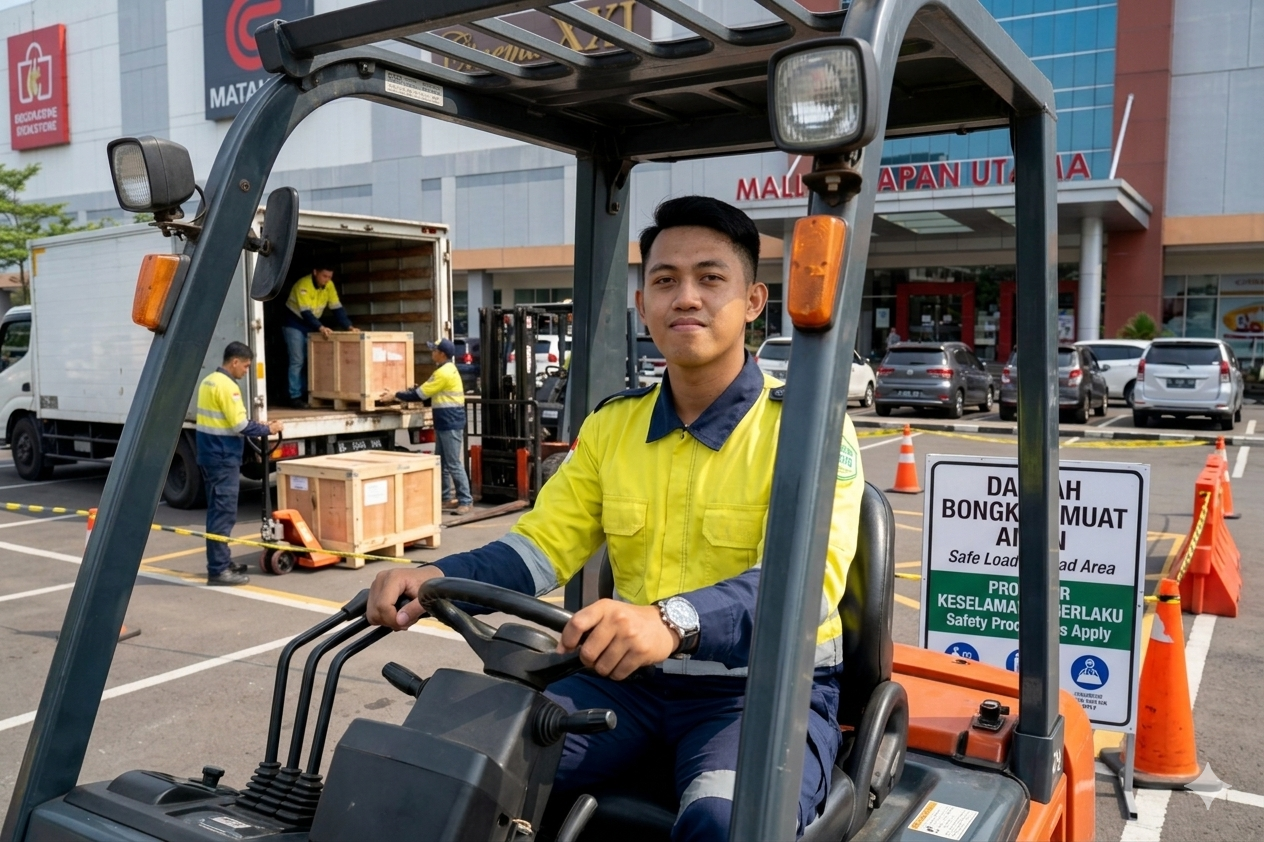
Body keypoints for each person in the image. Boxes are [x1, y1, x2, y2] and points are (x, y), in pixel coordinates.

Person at [367, 196, 863, 839]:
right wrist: (434, 575)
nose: (686, 297)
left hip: (759, 692)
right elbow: (539, 549)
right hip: (630, 683)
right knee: (456, 771)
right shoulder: (613, 427)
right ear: (643, 305)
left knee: (726, 823)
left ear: (754, 302)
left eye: (711, 278)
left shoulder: (805, 427)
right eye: (665, 281)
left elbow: (801, 580)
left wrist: (671, 621)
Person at [196, 342, 283, 586]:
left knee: (217, 512)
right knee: (223, 514)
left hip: (210, 455)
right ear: (234, 362)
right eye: (245, 366)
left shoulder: (209, 381)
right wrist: (268, 428)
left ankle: (222, 562)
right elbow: (239, 426)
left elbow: (228, 420)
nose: (246, 371)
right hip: (223, 457)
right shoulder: (228, 386)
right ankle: (219, 570)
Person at [392, 338, 472, 515]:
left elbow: (421, 394)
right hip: (444, 421)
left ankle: (465, 500)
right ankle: (444, 498)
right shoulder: (443, 370)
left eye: (434, 350)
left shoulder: (444, 373)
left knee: (453, 463)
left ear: (442, 354)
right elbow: (428, 391)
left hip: (450, 422)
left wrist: (395, 395)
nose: (431, 353)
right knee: (441, 462)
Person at [283, 266, 356, 408]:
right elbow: (306, 313)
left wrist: (349, 326)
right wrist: (320, 327)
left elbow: (337, 308)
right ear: (315, 272)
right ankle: (294, 396)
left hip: (310, 325)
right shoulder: (303, 285)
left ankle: (306, 393)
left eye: (330, 277)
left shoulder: (329, 285)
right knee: (297, 360)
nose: (327, 280)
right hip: (294, 324)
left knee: (310, 360)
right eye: (324, 276)